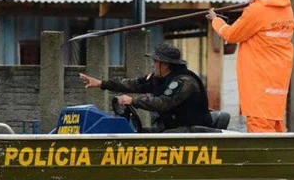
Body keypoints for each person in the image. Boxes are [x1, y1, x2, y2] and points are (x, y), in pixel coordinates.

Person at [205, 0, 294, 133]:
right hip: (278, 80)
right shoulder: (286, 8)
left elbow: (232, 35)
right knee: (275, 123)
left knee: (259, 128)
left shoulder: (257, 10)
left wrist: (215, 20)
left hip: (259, 79)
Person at [79, 42, 212, 132]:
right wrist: (102, 83)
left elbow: (162, 103)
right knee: (141, 133)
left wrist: (133, 101)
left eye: (155, 61)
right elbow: (135, 84)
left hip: (191, 130)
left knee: (158, 141)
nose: (153, 65)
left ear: (165, 64)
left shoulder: (184, 82)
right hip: (172, 127)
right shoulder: (159, 78)